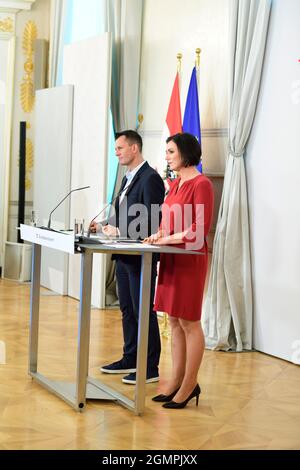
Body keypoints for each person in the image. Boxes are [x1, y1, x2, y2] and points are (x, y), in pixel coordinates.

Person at [144, 132, 214, 408]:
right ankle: (175, 381)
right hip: (172, 257)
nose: (167, 157)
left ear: (186, 152)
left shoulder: (202, 184)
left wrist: (165, 238)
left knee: (189, 322)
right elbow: (169, 223)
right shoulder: (173, 185)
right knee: (173, 321)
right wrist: (157, 234)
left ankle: (189, 385)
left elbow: (199, 229)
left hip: (190, 260)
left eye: (171, 152)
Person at [90, 130, 165, 384]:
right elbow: (123, 215)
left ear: (134, 149)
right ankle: (130, 357)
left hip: (140, 255)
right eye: (115, 149)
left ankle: (150, 366)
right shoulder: (127, 178)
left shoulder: (150, 178)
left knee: (143, 310)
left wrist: (121, 231)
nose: (117, 153)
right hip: (123, 254)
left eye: (120, 148)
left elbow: (153, 220)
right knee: (127, 309)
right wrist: (101, 225)